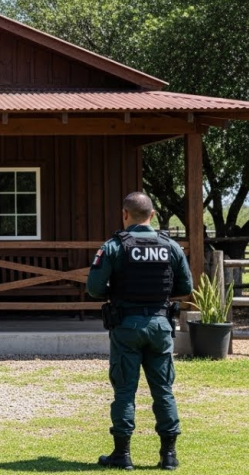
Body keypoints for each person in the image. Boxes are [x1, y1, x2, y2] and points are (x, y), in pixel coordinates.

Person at [86, 190, 193, 471]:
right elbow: (185, 287)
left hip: (126, 325)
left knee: (124, 391)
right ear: (153, 215)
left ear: (124, 215)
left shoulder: (113, 246)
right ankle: (168, 455)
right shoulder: (170, 246)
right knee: (164, 390)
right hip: (160, 325)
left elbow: (94, 289)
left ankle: (122, 455)